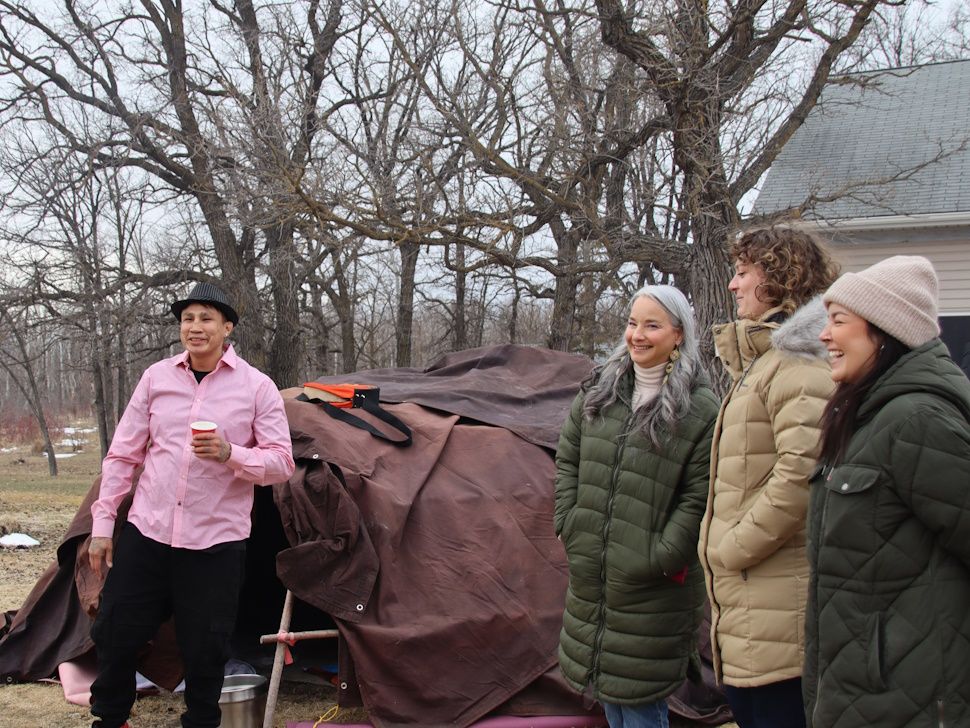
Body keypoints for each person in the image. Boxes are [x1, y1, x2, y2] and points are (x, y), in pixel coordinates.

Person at [87, 282, 295, 728]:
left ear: (227, 327)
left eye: (206, 318)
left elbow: (282, 463)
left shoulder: (257, 387)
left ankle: (201, 722)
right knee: (115, 630)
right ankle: (111, 719)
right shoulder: (156, 378)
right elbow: (122, 456)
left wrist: (230, 453)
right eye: (187, 319)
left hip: (215, 541)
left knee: (206, 647)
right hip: (149, 531)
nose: (195, 327)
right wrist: (102, 526)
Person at [804, 255, 970, 727]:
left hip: (908, 697)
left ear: (885, 330)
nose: (824, 335)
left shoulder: (916, 422)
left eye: (839, 321)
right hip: (859, 688)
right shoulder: (864, 418)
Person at [555, 284, 720, 728]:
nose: (637, 335)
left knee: (641, 701)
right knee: (612, 694)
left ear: (678, 334)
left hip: (654, 585)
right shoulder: (600, 392)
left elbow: (700, 494)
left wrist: (661, 554)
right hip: (594, 576)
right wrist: (570, 522)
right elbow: (568, 458)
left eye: (652, 325)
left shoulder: (699, 408)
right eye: (632, 323)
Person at [698, 227, 838, 728]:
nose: (732, 285)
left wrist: (732, 548)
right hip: (752, 603)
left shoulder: (799, 363)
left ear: (780, 277)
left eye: (743, 273)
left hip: (777, 603)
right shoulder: (764, 364)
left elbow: (803, 472)